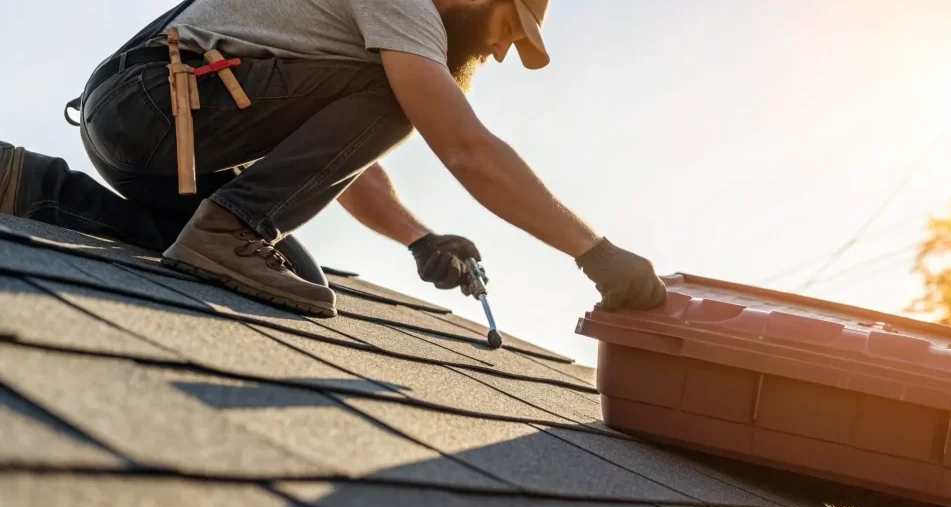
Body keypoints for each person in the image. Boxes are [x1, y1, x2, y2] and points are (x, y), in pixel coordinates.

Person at [0, 0, 667, 318]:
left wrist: (419, 239)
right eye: (506, 30)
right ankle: (229, 228)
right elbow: (465, 147)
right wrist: (594, 252)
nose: (496, 54)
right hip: (150, 103)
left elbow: (331, 161)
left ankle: (38, 188)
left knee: (281, 276)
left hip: (147, 126)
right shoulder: (410, 10)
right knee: (403, 99)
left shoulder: (384, 33)